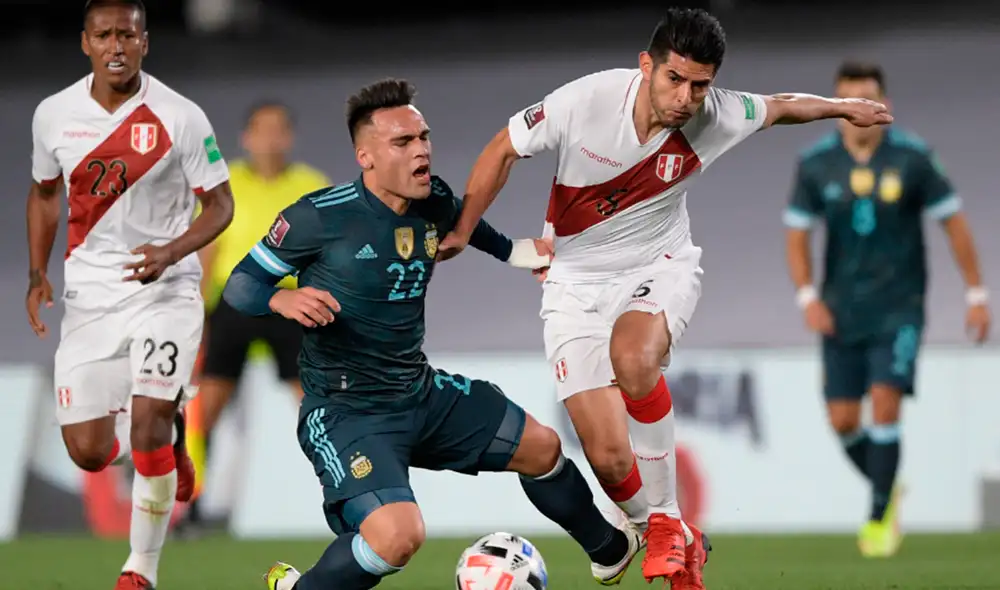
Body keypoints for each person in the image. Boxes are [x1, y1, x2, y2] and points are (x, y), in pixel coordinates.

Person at [437, 7, 892, 588]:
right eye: (675, 79)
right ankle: (668, 538)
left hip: (659, 265)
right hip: (572, 283)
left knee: (634, 359)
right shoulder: (587, 101)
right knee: (607, 457)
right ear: (646, 65)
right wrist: (464, 228)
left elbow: (781, 106)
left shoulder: (718, 115)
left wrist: (840, 109)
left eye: (701, 84)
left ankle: (668, 523)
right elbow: (503, 147)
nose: (686, 97)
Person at [222, 78, 643, 590]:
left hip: (420, 393)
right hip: (347, 412)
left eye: (423, 137)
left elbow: (464, 224)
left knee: (541, 447)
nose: (421, 149)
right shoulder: (318, 217)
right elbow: (241, 284)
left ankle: (610, 549)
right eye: (403, 142)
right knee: (399, 537)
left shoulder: (431, 199)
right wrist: (279, 298)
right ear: (366, 156)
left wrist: (515, 252)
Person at [24, 1, 234, 588]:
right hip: (89, 297)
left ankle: (140, 569)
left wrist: (172, 252)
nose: (116, 45)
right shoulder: (53, 115)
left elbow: (221, 204)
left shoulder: (180, 117)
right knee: (90, 451)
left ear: (146, 42)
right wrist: (38, 272)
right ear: (85, 43)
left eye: (128, 34)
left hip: (166, 290)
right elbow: (43, 194)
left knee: (144, 424)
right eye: (104, 35)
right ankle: (169, 433)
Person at [782, 60, 991, 558]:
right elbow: (796, 237)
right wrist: (808, 297)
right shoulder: (814, 164)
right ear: (835, 109)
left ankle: (878, 518)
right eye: (847, 101)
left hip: (900, 306)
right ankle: (887, 486)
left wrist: (977, 295)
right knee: (842, 420)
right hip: (839, 309)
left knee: (886, 401)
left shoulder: (913, 159)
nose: (856, 109)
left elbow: (954, 226)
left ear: (883, 106)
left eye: (866, 99)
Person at [182, 101, 329, 523]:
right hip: (232, 303)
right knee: (204, 407)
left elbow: (326, 252)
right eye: (261, 130)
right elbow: (207, 248)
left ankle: (344, 494)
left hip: (291, 304)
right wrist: (196, 313)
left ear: (290, 137)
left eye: (278, 129)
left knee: (316, 404)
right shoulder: (223, 183)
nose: (270, 138)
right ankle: (190, 505)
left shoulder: (310, 183)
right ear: (247, 137)